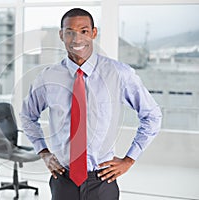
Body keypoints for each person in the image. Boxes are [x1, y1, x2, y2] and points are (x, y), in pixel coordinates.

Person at [20, 8, 162, 200]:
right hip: (63, 178)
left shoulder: (119, 73)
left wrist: (129, 159)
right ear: (61, 35)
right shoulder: (48, 77)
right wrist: (44, 152)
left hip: (102, 180)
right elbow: (27, 116)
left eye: (84, 31)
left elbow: (152, 116)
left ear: (94, 33)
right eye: (70, 32)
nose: (77, 39)